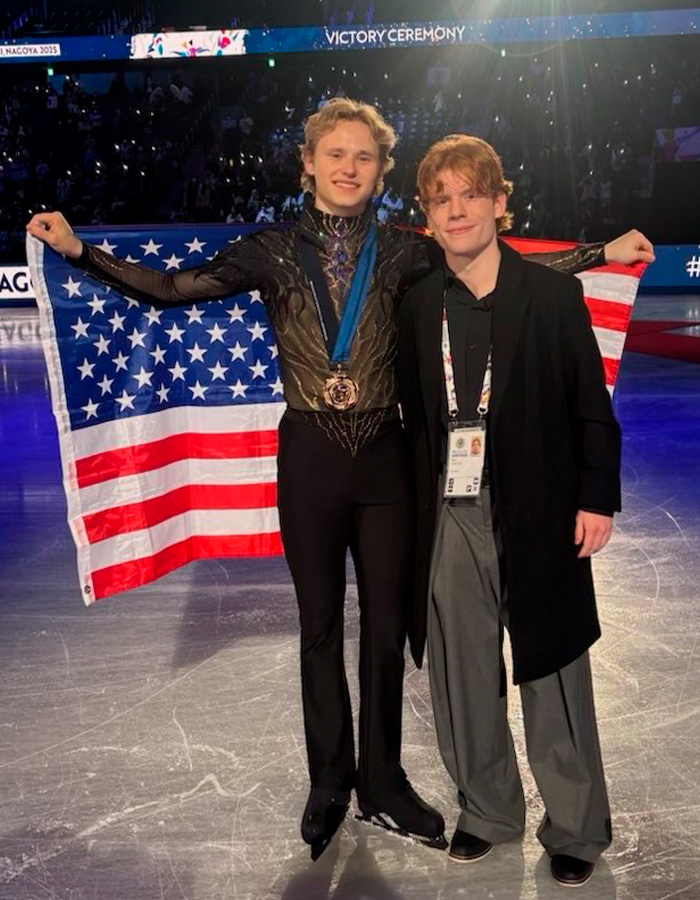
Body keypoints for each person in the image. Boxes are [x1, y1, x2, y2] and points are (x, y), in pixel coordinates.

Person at [26, 97, 653, 863]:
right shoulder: (269, 249)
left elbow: (503, 265)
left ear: (382, 172)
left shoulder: (404, 252)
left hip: (389, 461)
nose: (349, 167)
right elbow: (174, 288)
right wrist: (80, 252)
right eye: (335, 155)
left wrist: (598, 253)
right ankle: (333, 782)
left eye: (364, 157)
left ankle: (385, 781)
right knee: (325, 629)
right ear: (309, 165)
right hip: (312, 457)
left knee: (390, 630)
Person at [397, 135, 637, 887]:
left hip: (537, 507)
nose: (457, 209)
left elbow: (590, 409)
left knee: (553, 667)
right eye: (442, 199)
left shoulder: (551, 295)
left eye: (471, 194)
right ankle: (488, 811)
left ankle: (575, 824)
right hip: (449, 513)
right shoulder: (416, 306)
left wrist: (596, 497)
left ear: (502, 203)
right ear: (427, 216)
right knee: (462, 672)